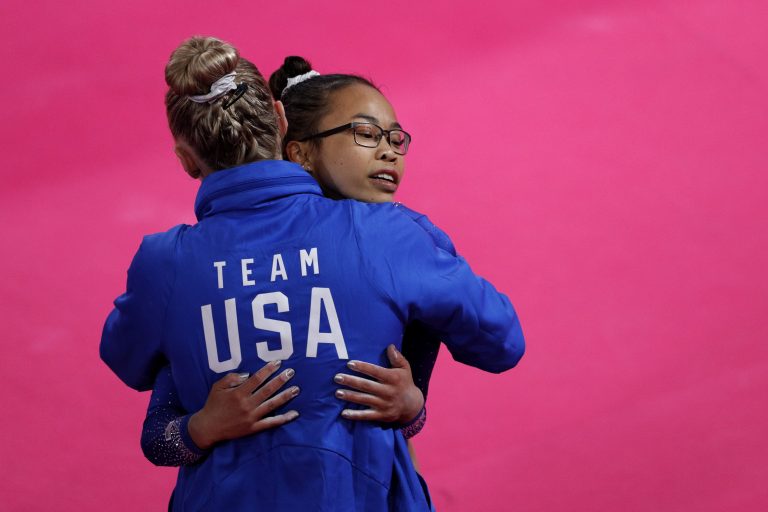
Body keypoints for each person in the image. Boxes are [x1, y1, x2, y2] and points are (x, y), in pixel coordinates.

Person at [101, 36, 524, 511]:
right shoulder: (388, 234)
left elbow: (132, 372)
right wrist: (414, 403)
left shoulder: (164, 264)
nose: (388, 151)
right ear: (282, 125)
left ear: (185, 159)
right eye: (365, 133)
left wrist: (200, 427)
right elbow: (502, 343)